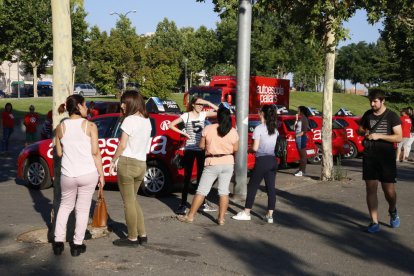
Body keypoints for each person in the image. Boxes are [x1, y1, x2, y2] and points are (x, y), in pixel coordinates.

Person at [53, 95, 105, 256]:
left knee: (64, 206)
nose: (87, 108)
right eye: (85, 105)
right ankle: (76, 245)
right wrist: (101, 175)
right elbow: (95, 152)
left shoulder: (60, 128)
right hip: (87, 173)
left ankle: (58, 242)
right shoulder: (90, 126)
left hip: (68, 174)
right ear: (79, 107)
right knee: (82, 210)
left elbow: (59, 153)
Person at [177, 103, 239, 225]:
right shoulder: (233, 131)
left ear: (218, 117)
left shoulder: (208, 129)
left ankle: (190, 216)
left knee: (201, 190)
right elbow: (235, 149)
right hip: (228, 163)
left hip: (212, 162)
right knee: (223, 191)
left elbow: (201, 146)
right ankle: (221, 219)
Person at [109, 90, 152, 247]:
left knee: (128, 203)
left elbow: (122, 145)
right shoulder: (147, 121)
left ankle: (132, 237)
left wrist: (113, 160)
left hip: (127, 163)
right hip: (141, 163)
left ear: (131, 103)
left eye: (124, 102)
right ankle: (143, 235)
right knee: (133, 200)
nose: (121, 105)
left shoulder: (129, 120)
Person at [358, 90, 402, 233]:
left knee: (388, 191)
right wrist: (364, 132)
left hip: (386, 158)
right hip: (369, 156)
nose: (372, 104)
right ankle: (374, 222)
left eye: (375, 101)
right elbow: (360, 129)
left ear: (383, 101)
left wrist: (379, 136)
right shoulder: (367, 114)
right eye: (371, 101)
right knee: (370, 188)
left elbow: (398, 137)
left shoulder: (392, 116)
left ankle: (393, 210)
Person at [169, 96, 219, 215]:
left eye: (202, 104)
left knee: (202, 177)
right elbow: (171, 125)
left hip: (201, 149)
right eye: (198, 104)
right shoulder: (186, 116)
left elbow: (219, 111)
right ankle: (182, 204)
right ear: (192, 104)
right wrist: (184, 133)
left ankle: (201, 203)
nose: (200, 106)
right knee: (187, 177)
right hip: (190, 149)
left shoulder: (203, 114)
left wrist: (207, 101)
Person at [232, 104, 279, 224]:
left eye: (259, 111)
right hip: (273, 160)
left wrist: (249, 150)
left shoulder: (259, 128)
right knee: (271, 188)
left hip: (262, 161)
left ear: (262, 113)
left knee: (252, 186)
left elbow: (255, 147)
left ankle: (246, 212)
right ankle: (270, 215)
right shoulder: (275, 129)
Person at [293, 106, 310, 177]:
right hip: (298, 138)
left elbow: (304, 131)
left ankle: (302, 171)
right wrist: (296, 119)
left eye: (298, 110)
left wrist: (297, 135)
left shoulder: (304, 119)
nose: (297, 111)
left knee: (303, 155)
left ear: (302, 111)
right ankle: (301, 169)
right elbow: (294, 128)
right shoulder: (300, 118)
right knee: (301, 155)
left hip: (301, 138)